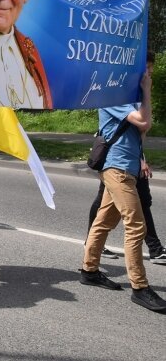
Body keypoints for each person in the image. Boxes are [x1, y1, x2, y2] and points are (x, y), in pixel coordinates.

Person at [81, 62, 166, 312]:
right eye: (146, 70)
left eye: (150, 71)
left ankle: (89, 270)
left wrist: (140, 159)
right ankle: (139, 287)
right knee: (136, 225)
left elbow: (144, 127)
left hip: (127, 167)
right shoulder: (112, 95)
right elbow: (142, 120)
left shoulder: (129, 98)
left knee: (103, 221)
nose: (148, 74)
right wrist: (147, 91)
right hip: (116, 169)